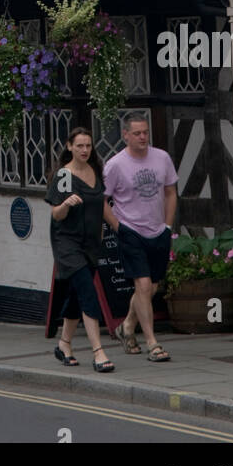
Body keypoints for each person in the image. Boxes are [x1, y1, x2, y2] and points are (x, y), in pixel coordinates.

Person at [102, 113, 178, 362]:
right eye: (137, 133)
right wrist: (118, 227)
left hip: (157, 231)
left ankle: (126, 327)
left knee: (152, 287)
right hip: (131, 231)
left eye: (145, 132)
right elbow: (101, 201)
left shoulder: (162, 158)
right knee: (143, 286)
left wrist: (167, 225)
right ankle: (152, 343)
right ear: (125, 135)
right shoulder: (115, 165)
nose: (143, 137)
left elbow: (170, 192)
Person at [45, 126, 120, 373]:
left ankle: (64, 344)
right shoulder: (65, 176)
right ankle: (98, 352)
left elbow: (101, 204)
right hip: (67, 243)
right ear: (69, 147)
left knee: (77, 295)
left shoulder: (95, 171)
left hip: (90, 244)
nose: (85, 150)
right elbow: (56, 214)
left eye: (88, 145)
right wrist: (66, 202)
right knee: (88, 293)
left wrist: (120, 229)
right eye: (79, 146)